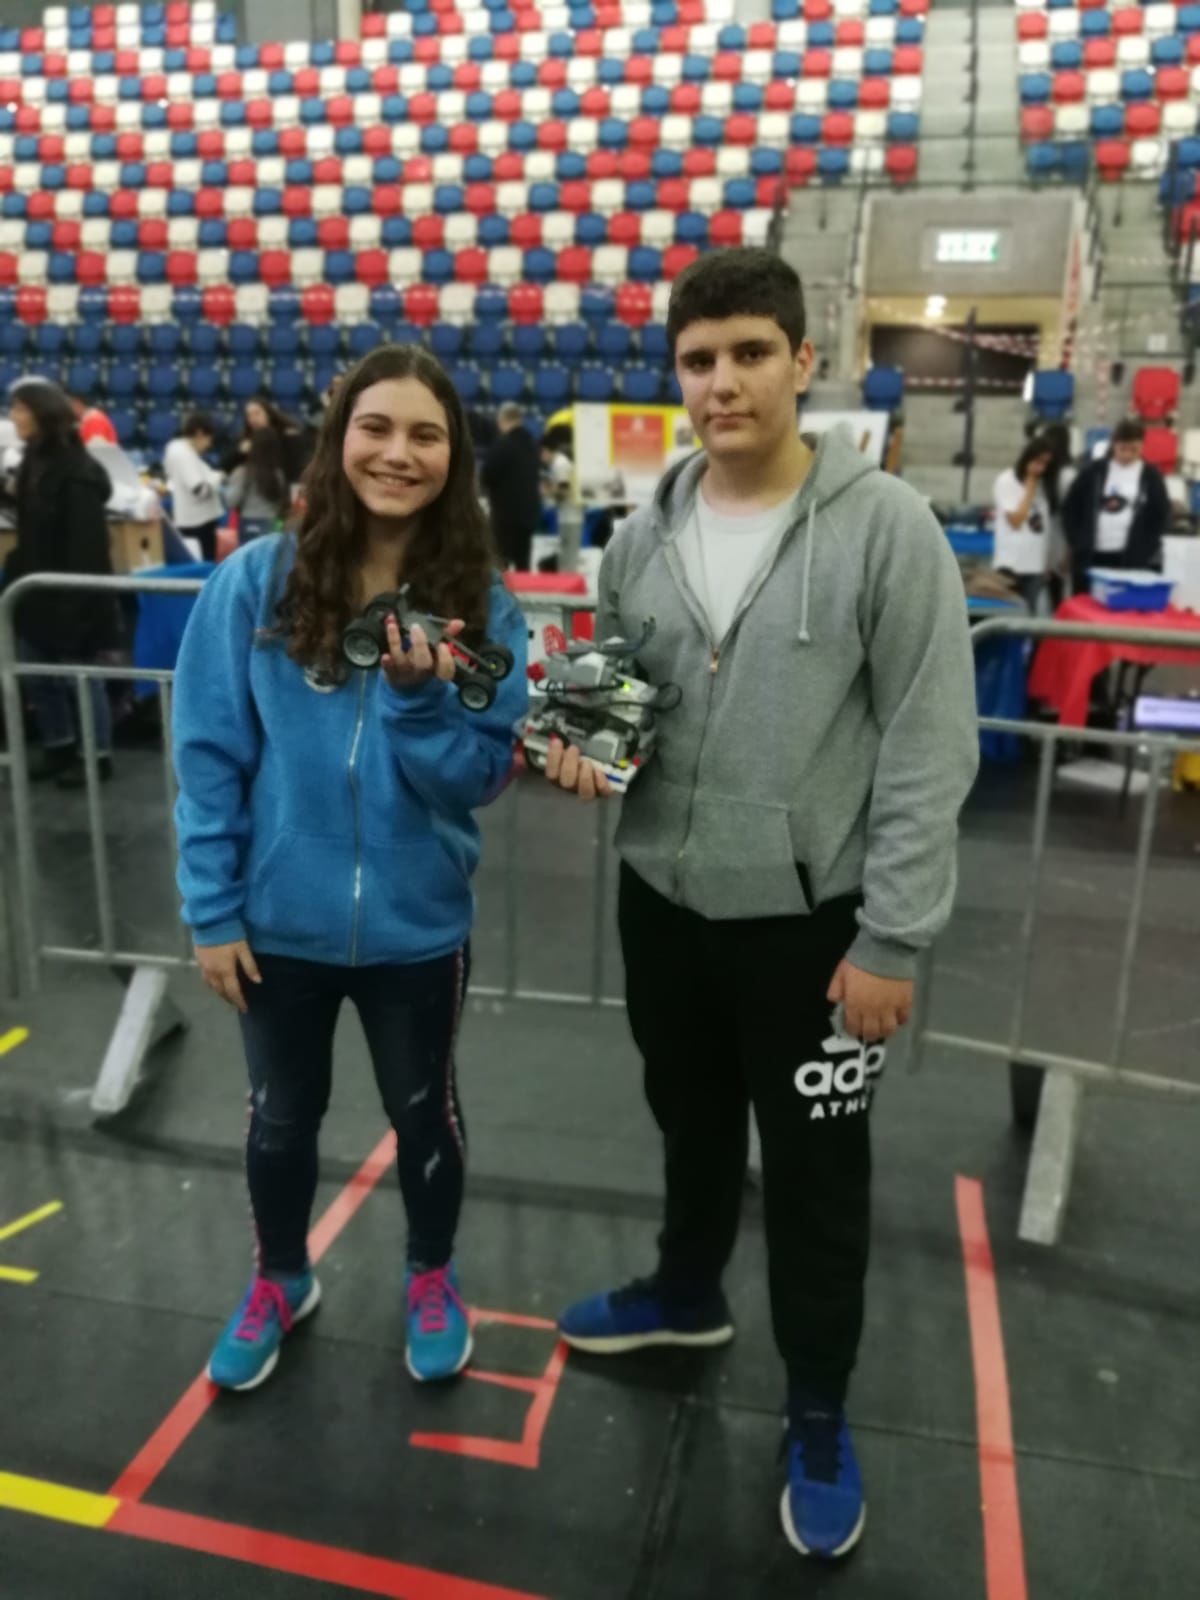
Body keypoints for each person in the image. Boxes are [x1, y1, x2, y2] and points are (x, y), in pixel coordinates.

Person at [543, 249, 978, 1562]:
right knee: (689, 1126)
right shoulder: (640, 537)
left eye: (748, 353)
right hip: (665, 906)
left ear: (802, 360)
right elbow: (616, 712)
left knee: (816, 1176)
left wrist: (892, 936)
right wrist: (581, 747)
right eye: (698, 360)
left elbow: (928, 744)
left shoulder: (887, 529)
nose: (722, 382)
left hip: (817, 929)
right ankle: (687, 1292)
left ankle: (818, 1407)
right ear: (674, 375)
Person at [172, 345, 528, 1394]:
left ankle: (431, 1277)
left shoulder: (481, 605)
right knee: (281, 1115)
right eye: (376, 427)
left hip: (418, 928)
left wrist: (420, 703)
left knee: (425, 1114)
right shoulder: (254, 583)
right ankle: (280, 1278)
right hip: (277, 925)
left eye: (425, 434)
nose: (397, 453)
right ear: (338, 440)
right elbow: (208, 757)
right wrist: (211, 910)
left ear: (453, 458)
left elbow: (479, 777)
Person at [3, 380, 118, 788]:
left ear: (43, 414)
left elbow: (86, 546)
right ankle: (60, 745)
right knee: (39, 677)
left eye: (20, 409)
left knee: (81, 678)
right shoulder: (34, 460)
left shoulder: (75, 470)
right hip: (37, 590)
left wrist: (77, 604)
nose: (13, 417)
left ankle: (96, 756)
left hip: (71, 594)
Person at [1061, 418, 1169, 595]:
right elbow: (1070, 507)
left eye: (1134, 449)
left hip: (1131, 557)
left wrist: (1146, 547)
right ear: (1113, 444)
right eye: (1122, 449)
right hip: (1092, 554)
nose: (1127, 455)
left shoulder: (1151, 476)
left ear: (1142, 446)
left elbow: (1160, 515)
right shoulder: (1093, 471)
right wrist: (1077, 540)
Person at [992, 436, 1056, 611]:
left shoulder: (1043, 484)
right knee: (1008, 615)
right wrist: (1029, 489)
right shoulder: (1007, 480)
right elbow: (1015, 521)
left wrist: (1046, 561)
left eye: (1045, 464)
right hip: (1011, 564)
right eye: (1038, 462)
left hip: (1035, 565)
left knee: (1030, 614)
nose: (1040, 468)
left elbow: (1044, 528)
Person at [480, 401, 542, 570]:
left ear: (502, 420)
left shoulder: (503, 444)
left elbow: (487, 474)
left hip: (506, 516)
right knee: (523, 564)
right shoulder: (532, 444)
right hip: (529, 514)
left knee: (500, 563)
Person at [227, 397, 292, 543]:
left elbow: (232, 500)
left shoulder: (243, 472)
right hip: (272, 521)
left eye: (257, 413)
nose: (253, 418)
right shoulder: (278, 474)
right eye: (249, 415)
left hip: (250, 521)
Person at [163, 411, 224, 562]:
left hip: (197, 521)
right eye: (209, 438)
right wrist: (219, 478)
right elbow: (200, 490)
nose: (209, 444)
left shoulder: (183, 452)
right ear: (199, 433)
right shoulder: (183, 454)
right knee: (204, 566)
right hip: (197, 524)